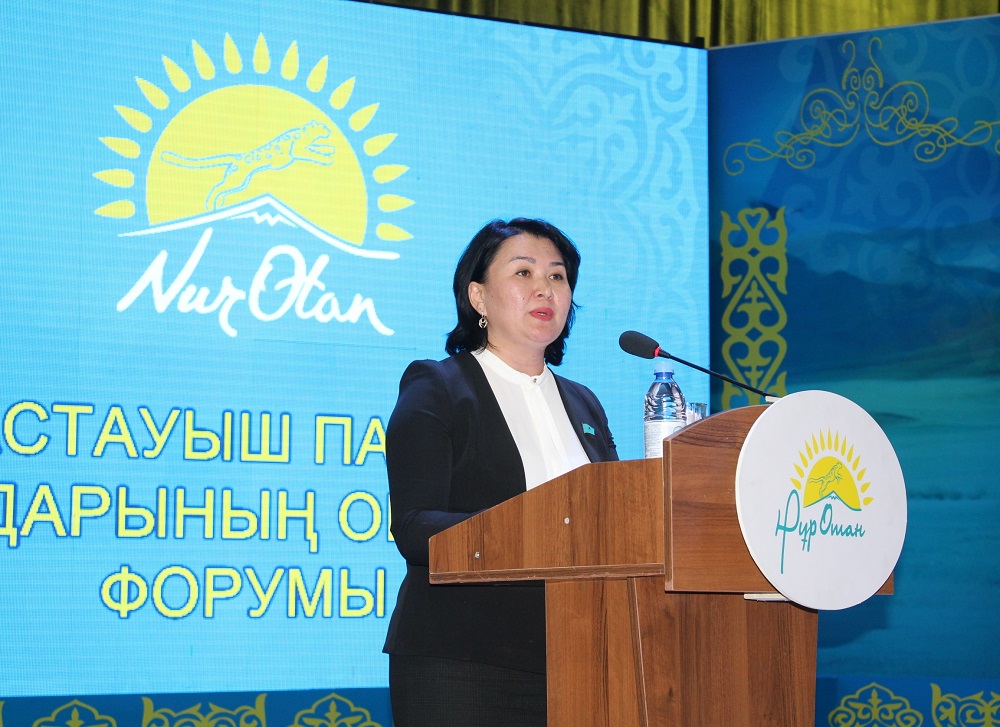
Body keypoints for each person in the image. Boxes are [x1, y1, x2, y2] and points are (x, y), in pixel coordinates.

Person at [382, 218, 618, 726]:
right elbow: (415, 528)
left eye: (557, 276)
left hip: (583, 657)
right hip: (463, 662)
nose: (544, 288)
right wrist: (539, 528)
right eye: (523, 272)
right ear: (478, 297)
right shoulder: (438, 386)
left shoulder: (585, 403)